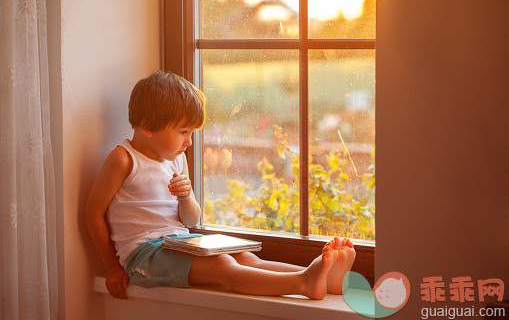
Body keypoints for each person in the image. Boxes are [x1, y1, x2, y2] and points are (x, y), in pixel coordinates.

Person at [84, 71, 356, 301]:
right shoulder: (123, 159)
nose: (189, 142)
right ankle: (302, 283)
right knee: (222, 265)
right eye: (183, 132)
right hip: (144, 255)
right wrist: (111, 266)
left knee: (244, 257)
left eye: (191, 133)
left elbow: (190, 219)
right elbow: (92, 213)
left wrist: (185, 197)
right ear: (147, 127)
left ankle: (321, 275)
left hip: (179, 241)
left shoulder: (176, 160)